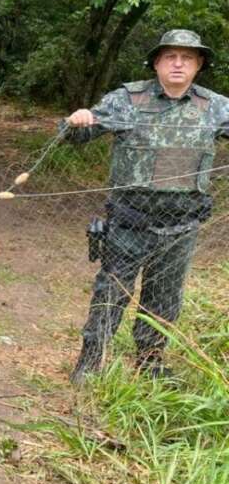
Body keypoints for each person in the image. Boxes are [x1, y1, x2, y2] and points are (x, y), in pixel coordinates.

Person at [64, 29, 229, 385]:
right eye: (170, 56)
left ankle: (151, 364)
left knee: (165, 299)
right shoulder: (128, 100)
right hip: (129, 224)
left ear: (199, 65)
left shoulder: (215, 106)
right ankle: (90, 363)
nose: (178, 63)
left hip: (181, 227)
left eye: (187, 57)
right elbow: (78, 136)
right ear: (156, 62)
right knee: (111, 294)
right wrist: (77, 121)